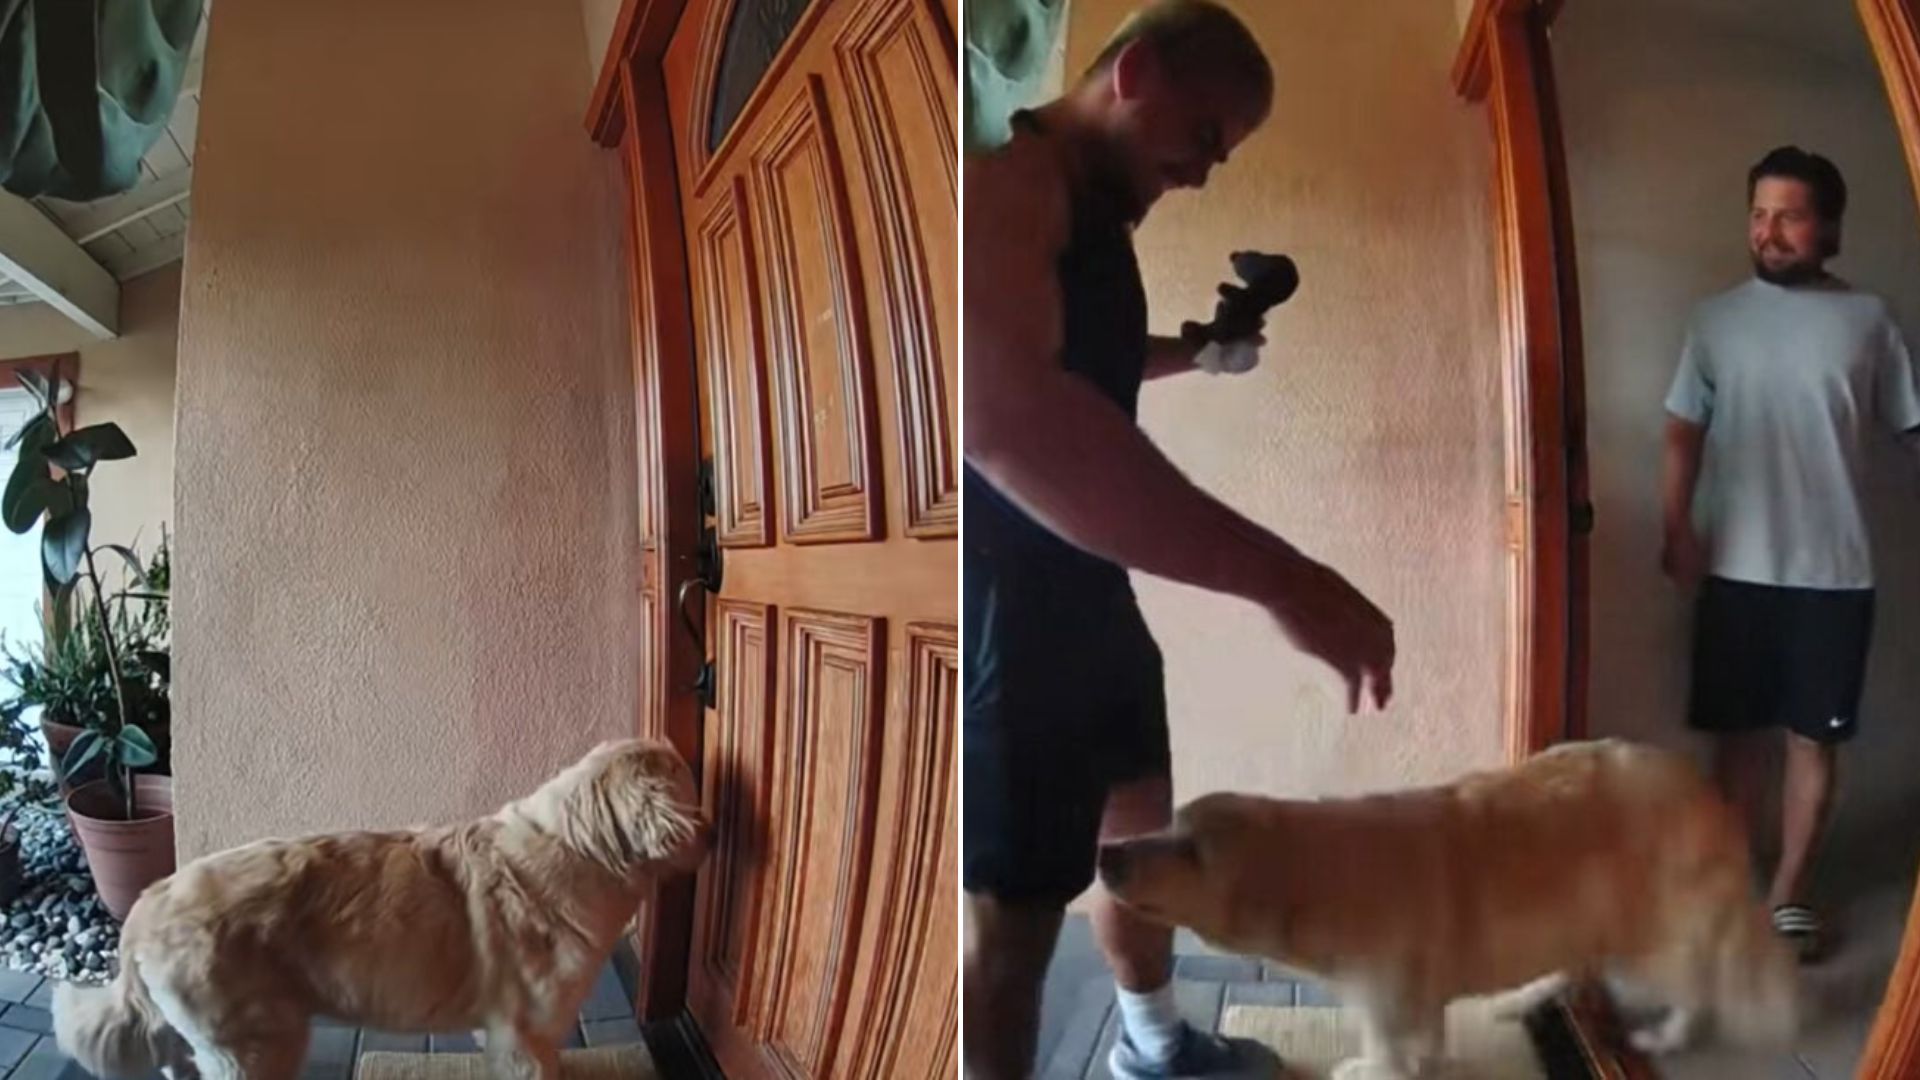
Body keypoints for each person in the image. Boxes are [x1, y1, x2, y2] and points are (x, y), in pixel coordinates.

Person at [962, 2, 1397, 1076]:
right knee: (1010, 933)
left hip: (1093, 603)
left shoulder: (1090, 216)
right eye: (1204, 137)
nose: (1204, 173)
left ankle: (1151, 1049)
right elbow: (1005, 413)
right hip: (1010, 621)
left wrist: (1193, 355)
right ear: (1136, 70)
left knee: (1139, 846)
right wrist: (1286, 580)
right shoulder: (1004, 185)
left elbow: (1071, 361)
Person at [1661, 145, 1920, 963]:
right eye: (1759, 213)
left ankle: (1788, 896)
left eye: (1791, 215)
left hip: (1834, 575)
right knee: (1736, 742)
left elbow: (1913, 429)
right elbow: (1682, 430)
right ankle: (1726, 892)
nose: (1769, 231)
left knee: (1815, 740)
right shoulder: (1713, 320)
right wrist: (1677, 524)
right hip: (1736, 569)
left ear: (1830, 228)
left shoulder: (1873, 321)